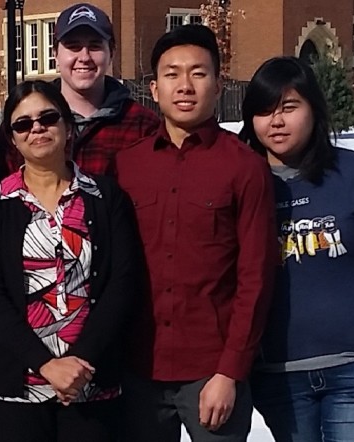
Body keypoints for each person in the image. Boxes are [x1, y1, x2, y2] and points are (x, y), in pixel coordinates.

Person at [238, 56, 354, 442]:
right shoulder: (241, 185)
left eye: (289, 107)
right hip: (279, 379)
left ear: (313, 109)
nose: (277, 121)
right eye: (264, 111)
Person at [114, 25, 276, 442]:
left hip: (212, 370)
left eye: (198, 73)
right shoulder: (127, 167)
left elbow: (255, 277)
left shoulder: (244, 168)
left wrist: (229, 371)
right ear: (153, 87)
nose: (185, 85)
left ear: (219, 84)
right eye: (172, 73)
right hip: (138, 369)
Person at [0, 80, 144, 442]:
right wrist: (47, 364)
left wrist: (79, 363)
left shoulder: (105, 196)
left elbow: (122, 283)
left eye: (48, 118)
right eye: (23, 124)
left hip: (91, 382)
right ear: (13, 139)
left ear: (67, 126)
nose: (36, 128)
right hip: (16, 389)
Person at [0, 3, 159, 180]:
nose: (84, 57)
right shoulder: (24, 125)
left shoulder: (142, 125)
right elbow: (2, 192)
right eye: (73, 47)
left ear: (112, 52)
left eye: (95, 46)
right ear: (55, 54)